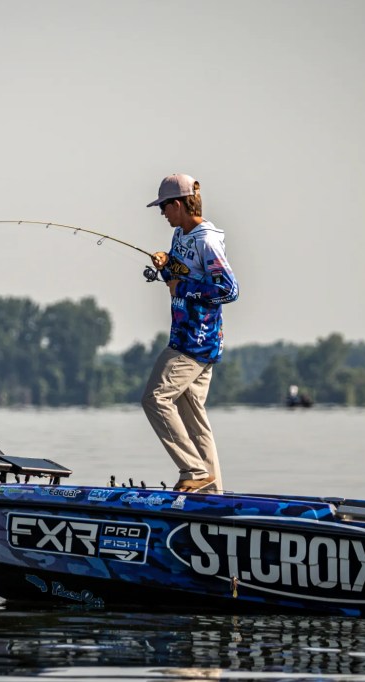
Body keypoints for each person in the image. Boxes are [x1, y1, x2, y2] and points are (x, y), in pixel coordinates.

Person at [141, 173, 239, 493]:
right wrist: (166, 263)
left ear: (179, 204)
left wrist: (183, 288)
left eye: (164, 207)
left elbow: (228, 290)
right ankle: (212, 495)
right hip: (187, 336)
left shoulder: (206, 241)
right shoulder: (181, 235)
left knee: (155, 398)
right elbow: (179, 276)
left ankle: (193, 470)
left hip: (194, 340)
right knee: (192, 414)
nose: (162, 213)